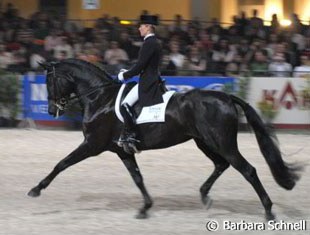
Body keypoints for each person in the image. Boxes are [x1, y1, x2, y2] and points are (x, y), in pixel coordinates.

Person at [116, 15, 164, 152]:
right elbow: (143, 65)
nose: (139, 28)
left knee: (124, 106)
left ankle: (131, 136)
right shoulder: (155, 42)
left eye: (141, 26)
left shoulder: (149, 43)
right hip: (152, 78)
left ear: (148, 27)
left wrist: (124, 75)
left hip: (147, 82)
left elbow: (140, 66)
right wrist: (130, 70)